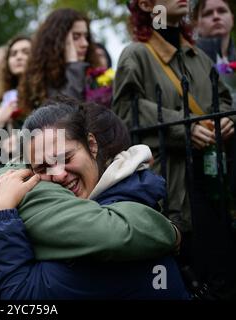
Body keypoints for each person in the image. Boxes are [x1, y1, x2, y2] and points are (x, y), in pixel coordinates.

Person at [0, 100, 188, 299]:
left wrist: (1, 213)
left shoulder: (107, 232)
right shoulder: (127, 191)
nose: (59, 174)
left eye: (66, 158)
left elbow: (21, 294)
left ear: (91, 144)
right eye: (43, 168)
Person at [113, 0, 235, 298]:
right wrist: (184, 126)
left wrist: (228, 121)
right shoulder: (135, 53)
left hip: (215, 182)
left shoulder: (199, 56)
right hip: (172, 188)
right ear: (146, 5)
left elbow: (225, 100)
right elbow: (125, 113)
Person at [18, 8, 97, 113]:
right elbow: (67, 116)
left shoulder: (93, 74)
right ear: (58, 40)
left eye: (86, 37)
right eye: (76, 37)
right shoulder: (41, 81)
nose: (85, 43)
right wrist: (73, 66)